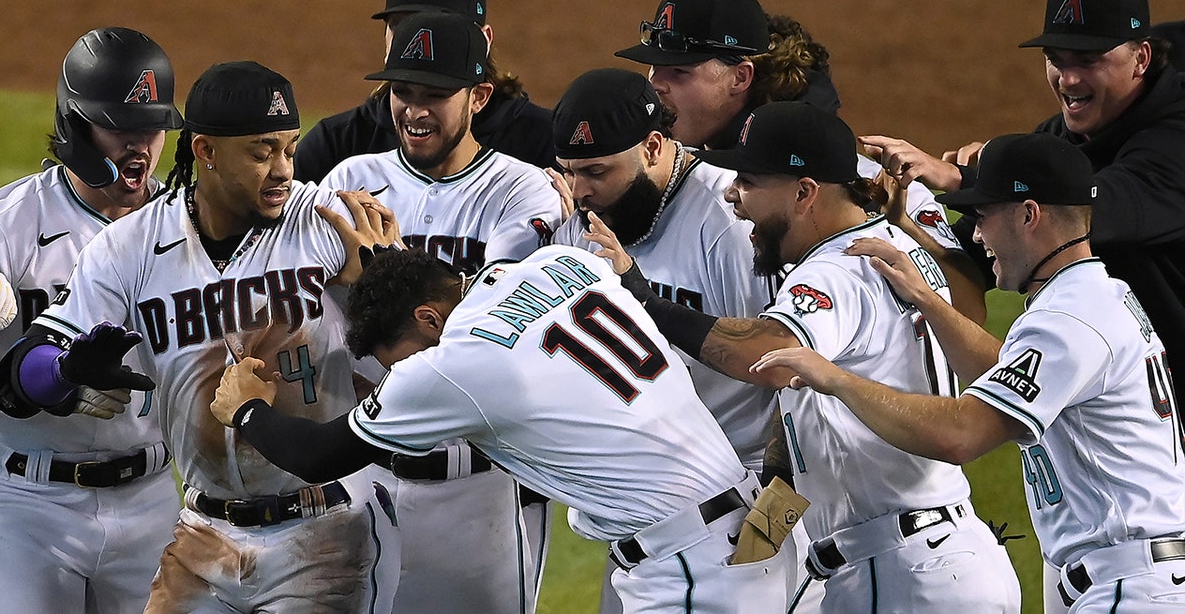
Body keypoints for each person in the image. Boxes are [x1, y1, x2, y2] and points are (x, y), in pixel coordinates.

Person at [0, 60, 401, 613]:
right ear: (205, 151)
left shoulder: (326, 224)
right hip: (205, 536)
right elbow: (25, 369)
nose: (283, 169)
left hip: (327, 528)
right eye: (261, 151)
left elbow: (425, 340)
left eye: (289, 147)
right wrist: (61, 372)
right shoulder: (129, 247)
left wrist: (384, 283)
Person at [595, 101, 1021, 612]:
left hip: (905, 574)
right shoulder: (886, 245)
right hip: (930, 557)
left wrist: (642, 298)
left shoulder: (836, 269)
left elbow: (766, 352)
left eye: (749, 182)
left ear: (804, 192)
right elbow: (802, 421)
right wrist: (758, 542)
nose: (732, 196)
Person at [210, 243, 793, 613]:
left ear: (428, 318)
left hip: (691, 569)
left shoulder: (454, 364)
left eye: (402, 358)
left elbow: (318, 455)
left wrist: (247, 409)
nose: (403, 374)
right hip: (757, 527)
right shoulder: (560, 263)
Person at [757, 132, 1185, 612]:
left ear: (1029, 215)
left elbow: (962, 433)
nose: (977, 237)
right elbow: (1001, 371)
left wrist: (835, 379)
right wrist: (926, 297)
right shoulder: (1094, 295)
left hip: (1134, 584)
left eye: (983, 217)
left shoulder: (1070, 318)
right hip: (1138, 575)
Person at [321, 10, 561, 614]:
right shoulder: (351, 179)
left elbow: (489, 326)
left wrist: (385, 269)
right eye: (402, 91)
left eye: (435, 95)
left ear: (479, 96)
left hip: (477, 488)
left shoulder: (522, 191)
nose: (414, 110)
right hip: (364, 474)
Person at [862, 0, 1185, 414]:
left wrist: (965, 179)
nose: (1067, 80)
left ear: (1141, 58)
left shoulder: (1175, 136)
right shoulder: (1059, 141)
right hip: (1129, 402)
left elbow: (1100, 207)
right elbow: (977, 251)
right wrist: (899, 224)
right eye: (1057, 58)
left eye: (1088, 61)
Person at [548, 68, 789, 609]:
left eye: (596, 171)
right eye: (569, 172)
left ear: (654, 145)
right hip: (642, 513)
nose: (580, 191)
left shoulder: (726, 224)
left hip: (738, 511)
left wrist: (776, 510)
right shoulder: (583, 223)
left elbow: (787, 366)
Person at [614, 0, 979, 322]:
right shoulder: (658, 174)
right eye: (654, 66)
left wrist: (903, 228)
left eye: (679, 71)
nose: (655, 84)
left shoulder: (878, 189)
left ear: (740, 77)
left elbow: (970, 315)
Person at [0, 27, 184, 614]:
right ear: (75, 126)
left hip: (153, 502)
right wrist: (39, 384)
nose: (140, 146)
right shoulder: (5, 227)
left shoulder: (186, 230)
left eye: (150, 128)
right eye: (119, 127)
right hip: (29, 508)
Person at [295, 0, 555, 182]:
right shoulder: (337, 146)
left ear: (484, 40)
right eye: (402, 25)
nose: (418, 40)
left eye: (443, 26)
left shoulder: (546, 142)